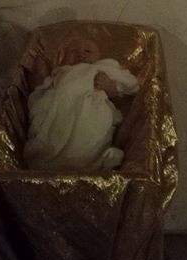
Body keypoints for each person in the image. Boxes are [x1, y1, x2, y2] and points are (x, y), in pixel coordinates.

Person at [23, 36, 139, 171]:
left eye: (87, 51)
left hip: (90, 107)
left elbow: (130, 87)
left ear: (99, 57)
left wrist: (110, 87)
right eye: (73, 51)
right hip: (59, 107)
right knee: (47, 128)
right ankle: (48, 154)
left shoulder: (101, 68)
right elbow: (41, 92)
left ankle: (87, 156)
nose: (80, 54)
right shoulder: (61, 72)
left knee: (90, 130)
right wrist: (40, 79)